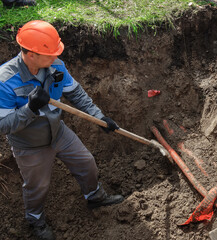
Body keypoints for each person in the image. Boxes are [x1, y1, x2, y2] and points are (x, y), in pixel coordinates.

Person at [0, 20, 124, 240]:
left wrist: (99, 117)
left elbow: (75, 93)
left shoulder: (56, 67)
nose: (55, 57)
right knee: (37, 186)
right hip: (29, 144)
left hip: (58, 131)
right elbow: (4, 125)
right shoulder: (5, 80)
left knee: (86, 162)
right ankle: (36, 220)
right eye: (50, 54)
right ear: (31, 55)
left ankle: (94, 196)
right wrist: (30, 109)